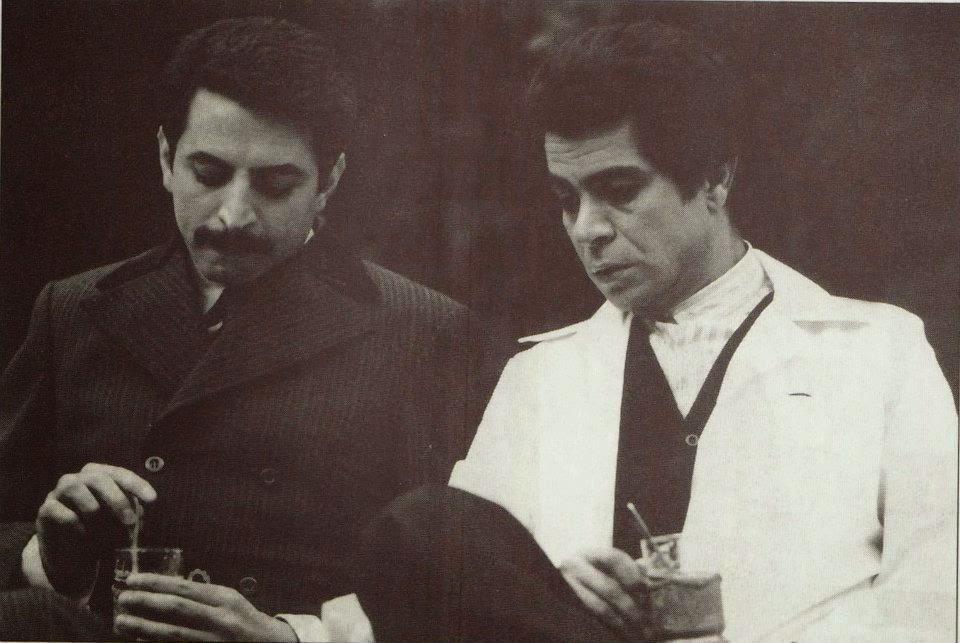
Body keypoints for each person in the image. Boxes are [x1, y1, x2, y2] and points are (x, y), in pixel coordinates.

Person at [355, 20, 958, 642]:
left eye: (619, 191)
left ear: (714, 180)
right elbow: (449, 588)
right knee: (421, 528)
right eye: (567, 199)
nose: (587, 229)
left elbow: (937, 600)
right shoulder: (539, 376)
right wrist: (550, 589)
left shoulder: (878, 353)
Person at [0, 17, 491, 642]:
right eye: (208, 174)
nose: (234, 215)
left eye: (276, 185)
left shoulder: (424, 333)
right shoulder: (74, 310)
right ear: (165, 159)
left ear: (329, 181)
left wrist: (291, 636)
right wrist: (47, 558)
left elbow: (461, 583)